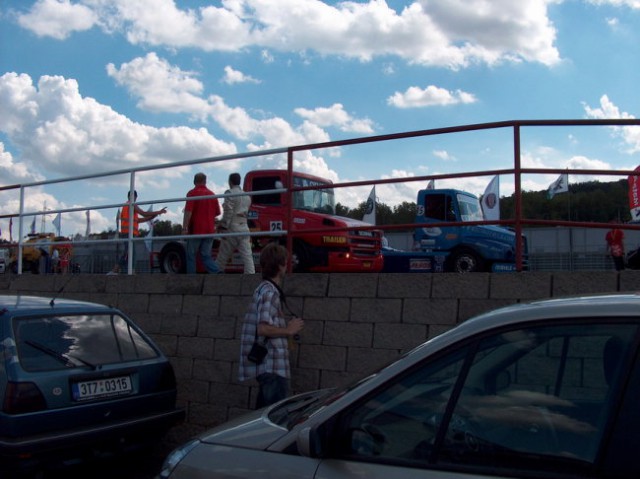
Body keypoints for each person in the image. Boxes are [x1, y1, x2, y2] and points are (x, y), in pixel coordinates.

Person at [238, 242, 304, 409]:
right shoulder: (269, 293)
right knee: (274, 419)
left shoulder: (263, 289)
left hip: (269, 367)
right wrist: (289, 330)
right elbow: (263, 328)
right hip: (272, 366)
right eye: (285, 262)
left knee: (262, 418)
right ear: (280, 266)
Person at [111, 190, 167, 274]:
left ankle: (118, 269)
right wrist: (159, 212)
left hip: (127, 233)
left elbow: (142, 219)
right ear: (135, 197)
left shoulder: (126, 207)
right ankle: (126, 271)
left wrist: (155, 214)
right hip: (129, 233)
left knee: (128, 253)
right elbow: (144, 214)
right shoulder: (132, 204)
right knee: (131, 254)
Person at [216, 173, 255, 274]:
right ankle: (251, 277)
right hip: (244, 227)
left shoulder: (229, 193)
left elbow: (228, 212)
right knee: (248, 257)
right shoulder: (247, 196)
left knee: (222, 256)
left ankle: (216, 279)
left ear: (230, 182)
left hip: (232, 228)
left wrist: (223, 226)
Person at [182, 172, 221, 274]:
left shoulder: (192, 193)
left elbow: (188, 212)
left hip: (196, 230)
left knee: (191, 255)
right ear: (205, 181)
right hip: (209, 230)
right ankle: (217, 272)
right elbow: (217, 212)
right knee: (206, 255)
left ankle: (191, 279)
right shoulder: (212, 195)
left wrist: (184, 228)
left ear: (194, 181)